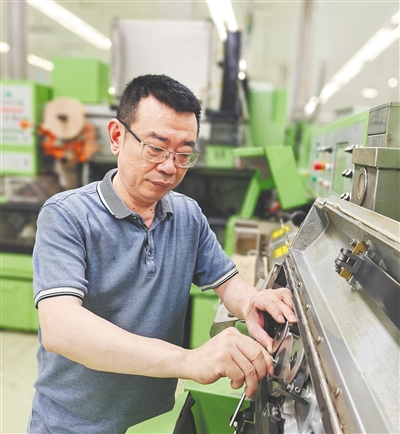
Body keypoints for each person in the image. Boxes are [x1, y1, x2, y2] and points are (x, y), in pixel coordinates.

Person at [28, 74, 296, 433]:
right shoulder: (67, 215)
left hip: (154, 421)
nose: (170, 167)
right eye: (155, 148)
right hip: (72, 424)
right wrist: (189, 360)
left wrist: (250, 301)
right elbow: (61, 328)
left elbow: (227, 282)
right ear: (117, 137)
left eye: (184, 154)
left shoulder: (187, 215)